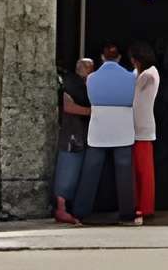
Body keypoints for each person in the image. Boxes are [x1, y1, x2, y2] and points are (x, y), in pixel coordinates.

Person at [84, 43, 142, 222]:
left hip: (99, 128)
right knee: (124, 173)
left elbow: (91, 99)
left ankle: (81, 210)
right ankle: (127, 213)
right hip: (122, 127)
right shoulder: (131, 78)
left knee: (90, 171)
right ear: (119, 57)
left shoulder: (91, 78)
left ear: (102, 57)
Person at [54, 54, 99, 225]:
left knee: (77, 171)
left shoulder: (88, 85)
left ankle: (72, 209)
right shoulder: (71, 84)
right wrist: (92, 111)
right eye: (90, 68)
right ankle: (61, 208)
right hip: (72, 133)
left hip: (83, 133)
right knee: (68, 168)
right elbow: (68, 106)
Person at [131, 42, 164, 223]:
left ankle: (145, 207)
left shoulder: (148, 74)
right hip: (139, 126)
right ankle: (141, 205)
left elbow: (135, 93)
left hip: (141, 127)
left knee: (143, 170)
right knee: (140, 170)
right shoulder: (146, 73)